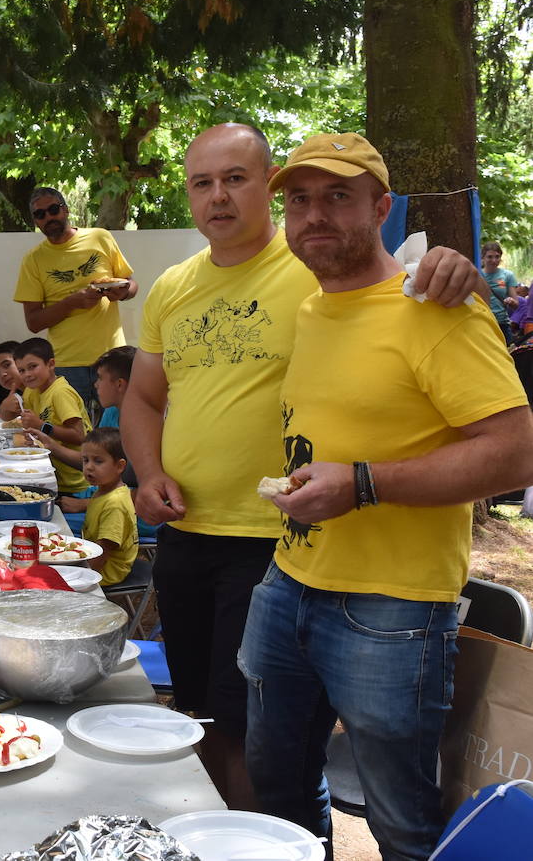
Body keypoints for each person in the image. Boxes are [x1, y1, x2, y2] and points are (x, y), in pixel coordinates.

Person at [121, 122, 489, 811]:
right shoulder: (174, 287)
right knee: (207, 719)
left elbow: (400, 297)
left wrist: (454, 269)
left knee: (254, 737)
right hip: (190, 532)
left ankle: (250, 842)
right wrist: (146, 474)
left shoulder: (319, 267)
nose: (218, 197)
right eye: (202, 182)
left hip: (281, 544)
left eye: (236, 178)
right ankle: (230, 841)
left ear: (267, 187)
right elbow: (143, 398)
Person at [242, 132, 533, 859]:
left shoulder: (437, 308)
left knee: (400, 822)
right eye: (299, 200)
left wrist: (365, 483)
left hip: (394, 609)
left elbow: (516, 453)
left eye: (337, 196)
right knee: (276, 788)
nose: (314, 215)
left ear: (383, 207)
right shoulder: (311, 308)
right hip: (288, 582)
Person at [13, 187, 137, 418]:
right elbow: (33, 322)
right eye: (40, 214)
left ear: (65, 209)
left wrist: (123, 291)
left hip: (111, 357)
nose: (49, 217)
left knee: (119, 434)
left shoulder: (100, 237)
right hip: (66, 363)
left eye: (53, 209)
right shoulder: (33, 260)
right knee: (75, 436)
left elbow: (131, 284)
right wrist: (72, 302)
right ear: (35, 222)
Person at [14, 337, 88, 494]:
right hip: (51, 472)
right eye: (21, 370)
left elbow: (79, 435)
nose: (27, 374)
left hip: (75, 483)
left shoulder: (60, 393)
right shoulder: (31, 391)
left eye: (32, 367)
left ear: (51, 364)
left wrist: (40, 425)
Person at [77, 427, 138, 586]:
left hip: (106, 571)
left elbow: (103, 552)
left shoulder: (115, 504)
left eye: (98, 461)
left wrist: (80, 579)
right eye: (85, 460)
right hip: (92, 556)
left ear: (119, 466)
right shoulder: (103, 490)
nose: (89, 467)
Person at [481, 240, 520, 345]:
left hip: (501, 323)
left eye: (497, 256)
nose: (494, 260)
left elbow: (516, 305)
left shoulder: (507, 275)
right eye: (489, 257)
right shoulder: (476, 275)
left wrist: (511, 301)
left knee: (508, 354)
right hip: (483, 322)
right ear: (483, 258)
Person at [91, 345, 135, 428]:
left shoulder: (144, 421)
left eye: (100, 378)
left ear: (119, 384)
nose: (95, 385)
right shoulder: (111, 411)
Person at [0, 340, 25, 418]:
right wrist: (5, 410)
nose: (2, 374)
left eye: (7, 365)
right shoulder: (15, 397)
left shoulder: (44, 390)